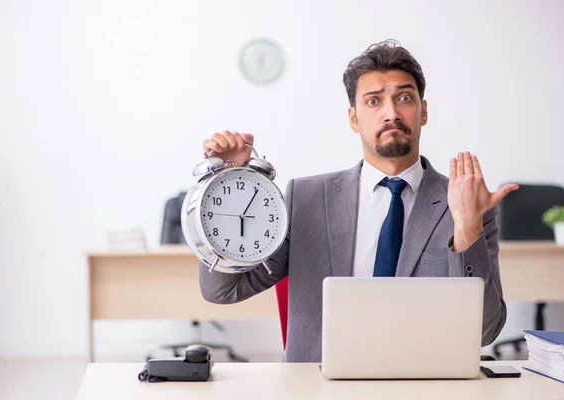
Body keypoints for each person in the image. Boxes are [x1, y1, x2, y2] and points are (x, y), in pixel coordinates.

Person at [198, 39, 517, 362]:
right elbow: (223, 290)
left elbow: (484, 331)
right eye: (374, 101)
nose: (391, 113)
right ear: (354, 118)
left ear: (423, 112)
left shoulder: (466, 204)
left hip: (424, 383)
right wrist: (226, 185)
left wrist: (466, 228)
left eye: (404, 98)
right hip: (319, 386)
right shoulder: (306, 200)